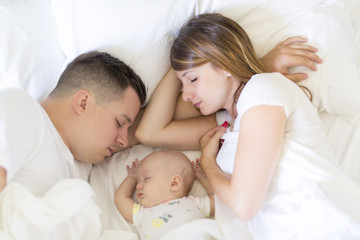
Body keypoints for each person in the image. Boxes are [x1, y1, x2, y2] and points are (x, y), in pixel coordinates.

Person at [136, 13, 360, 239]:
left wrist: (208, 162)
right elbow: (150, 132)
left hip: (328, 226)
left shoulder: (262, 88)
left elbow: (244, 205)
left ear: (225, 63)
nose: (186, 95)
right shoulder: (229, 121)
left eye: (193, 79)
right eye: (182, 83)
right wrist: (179, 60)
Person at [0, 51, 146, 195]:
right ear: (83, 103)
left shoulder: (80, 161)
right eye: (119, 123)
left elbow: (148, 130)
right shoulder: (20, 111)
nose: (124, 141)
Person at [115, 150, 215, 240]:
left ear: (174, 183)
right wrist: (131, 178)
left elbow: (217, 200)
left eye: (146, 179)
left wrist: (203, 179)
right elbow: (121, 198)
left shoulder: (195, 204)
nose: (138, 186)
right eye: (137, 182)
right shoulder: (141, 213)